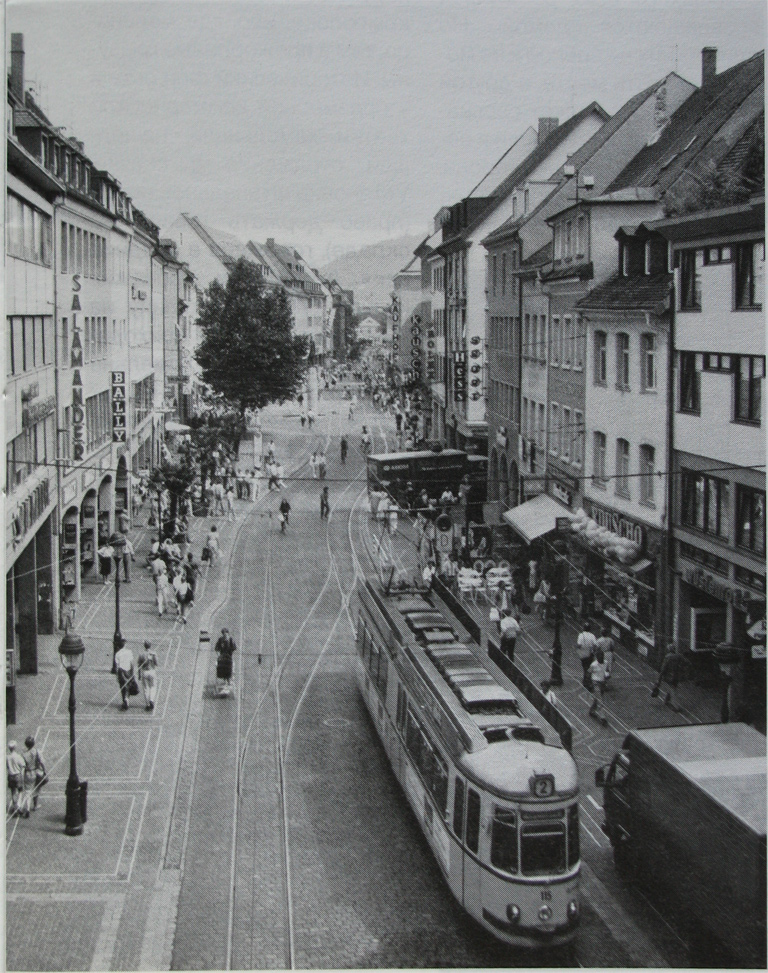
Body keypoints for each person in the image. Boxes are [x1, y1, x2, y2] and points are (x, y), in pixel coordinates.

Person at [652, 643, 687, 711]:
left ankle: (675, 706)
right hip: (677, 676)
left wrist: (659, 680)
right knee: (672, 688)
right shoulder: (679, 656)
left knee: (672, 690)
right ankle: (666, 700)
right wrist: (681, 669)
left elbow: (663, 669)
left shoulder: (667, 657)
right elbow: (686, 662)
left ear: (668, 650)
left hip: (669, 677)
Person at [23, 736, 47, 812]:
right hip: (36, 772)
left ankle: (27, 808)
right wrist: (45, 771)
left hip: (27, 773)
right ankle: (35, 805)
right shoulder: (37, 751)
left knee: (28, 791)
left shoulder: (24, 754)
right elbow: (42, 762)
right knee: (36, 789)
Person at [7, 741, 28, 817]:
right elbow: (23, 766)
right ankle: (18, 807)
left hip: (10, 776)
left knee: (13, 792)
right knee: (20, 791)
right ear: (15, 747)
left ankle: (15, 807)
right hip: (17, 775)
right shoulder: (18, 756)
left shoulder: (7, 757)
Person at [114, 638, 136, 710]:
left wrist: (117, 676)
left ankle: (125, 700)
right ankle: (126, 700)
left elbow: (117, 666)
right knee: (128, 685)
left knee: (122, 687)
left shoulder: (117, 654)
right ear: (124, 645)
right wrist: (133, 673)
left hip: (121, 671)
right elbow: (132, 663)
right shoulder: (129, 652)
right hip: (128, 671)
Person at [137, 640, 159, 711]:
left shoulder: (141, 654)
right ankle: (151, 700)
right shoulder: (153, 653)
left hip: (144, 672)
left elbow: (139, 665)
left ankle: (147, 704)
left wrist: (139, 675)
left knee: (146, 689)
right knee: (153, 687)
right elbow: (156, 663)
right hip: (152, 671)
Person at [215, 628, 237, 695]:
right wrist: (218, 655)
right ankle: (225, 680)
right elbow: (216, 648)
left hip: (229, 657)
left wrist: (231, 653)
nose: (225, 636)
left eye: (226, 634)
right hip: (222, 657)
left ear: (228, 634)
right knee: (222, 668)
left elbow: (234, 648)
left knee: (230, 668)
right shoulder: (220, 640)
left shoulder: (231, 640)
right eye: (223, 634)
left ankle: (229, 679)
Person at [588, 648, 607, 723]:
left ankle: (592, 710)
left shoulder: (606, 663)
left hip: (602, 683)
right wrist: (590, 683)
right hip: (595, 682)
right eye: (599, 656)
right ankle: (603, 717)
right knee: (600, 700)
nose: (601, 657)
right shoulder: (593, 665)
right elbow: (589, 672)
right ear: (597, 657)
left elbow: (607, 671)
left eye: (602, 656)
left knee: (597, 698)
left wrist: (606, 676)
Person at [577, 622, 598, 689]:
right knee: (588, 667)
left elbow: (579, 645)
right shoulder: (592, 636)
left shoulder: (581, 635)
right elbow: (595, 645)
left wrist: (579, 650)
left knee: (585, 667)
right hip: (590, 653)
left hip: (583, 653)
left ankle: (586, 681)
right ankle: (587, 680)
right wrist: (593, 651)